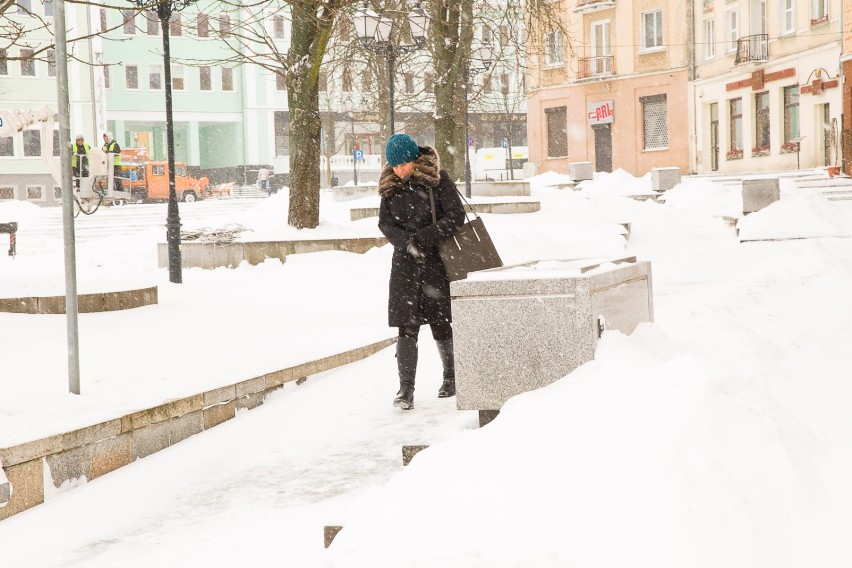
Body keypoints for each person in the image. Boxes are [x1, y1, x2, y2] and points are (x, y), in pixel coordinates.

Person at [378, 133, 465, 410]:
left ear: (414, 159)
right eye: (394, 166)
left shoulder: (437, 180)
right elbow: (385, 223)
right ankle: (406, 389)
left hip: (435, 262)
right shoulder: (389, 186)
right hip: (405, 265)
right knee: (406, 326)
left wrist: (424, 237)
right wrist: (407, 243)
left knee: (441, 321)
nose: (398, 170)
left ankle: (451, 377)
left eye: (402, 164)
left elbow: (456, 215)